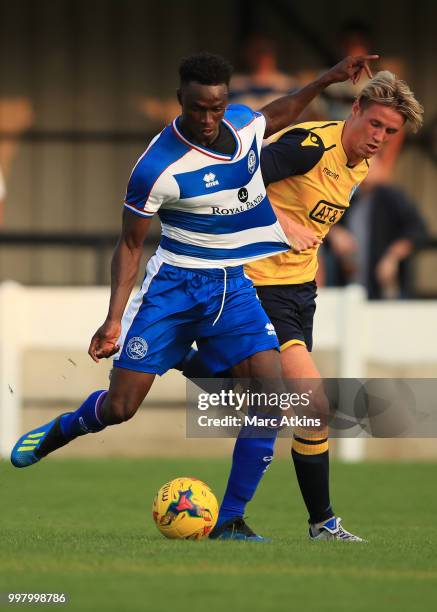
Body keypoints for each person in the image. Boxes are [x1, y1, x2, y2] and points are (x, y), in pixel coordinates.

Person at [10, 51, 375, 538]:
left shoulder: (243, 125)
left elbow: (281, 110)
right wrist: (114, 319)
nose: (208, 119)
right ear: (180, 99)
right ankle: (66, 428)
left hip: (233, 286)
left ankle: (230, 521)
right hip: (173, 290)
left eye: (216, 108)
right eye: (198, 108)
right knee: (121, 408)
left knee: (271, 397)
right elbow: (130, 244)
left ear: (226, 102)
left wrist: (326, 78)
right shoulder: (156, 168)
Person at [178, 70, 424, 541]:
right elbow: (235, 181)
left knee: (274, 401)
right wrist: (282, 225)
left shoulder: (359, 166)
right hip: (254, 286)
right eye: (374, 124)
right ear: (354, 110)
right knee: (310, 403)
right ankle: (318, 523)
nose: (379, 138)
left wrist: (318, 257)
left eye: (390, 132)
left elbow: (311, 214)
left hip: (295, 292)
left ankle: (192, 364)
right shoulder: (310, 146)